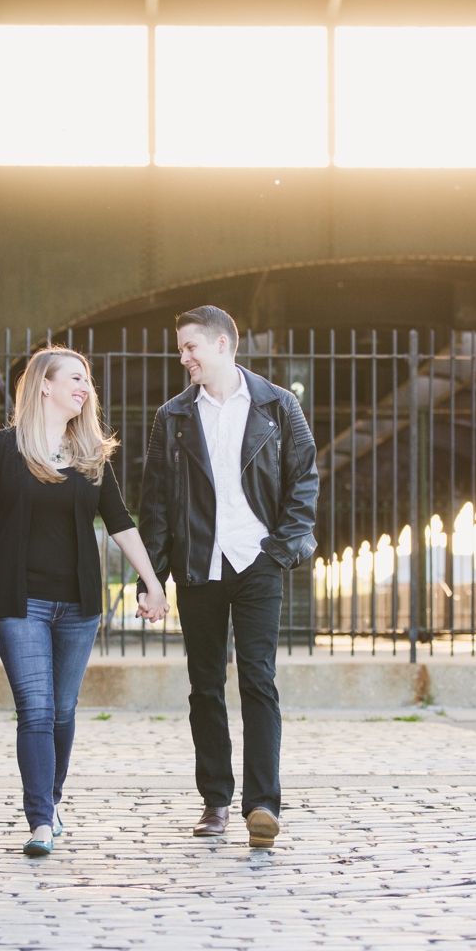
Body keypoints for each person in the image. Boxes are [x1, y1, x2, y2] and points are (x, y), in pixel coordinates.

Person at [0, 346, 169, 858]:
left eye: (88, 381)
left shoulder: (90, 456)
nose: (86, 388)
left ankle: (52, 800)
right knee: (36, 709)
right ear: (44, 384)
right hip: (20, 603)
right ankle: (40, 820)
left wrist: (152, 581)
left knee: (62, 710)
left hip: (79, 603)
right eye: (76, 378)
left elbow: (121, 523)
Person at [139, 306, 318, 850]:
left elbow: (303, 480)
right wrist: (152, 579)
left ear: (223, 345)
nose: (183, 357)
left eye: (190, 347)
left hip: (258, 563)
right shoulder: (171, 417)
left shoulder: (278, 406)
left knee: (258, 680)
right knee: (205, 686)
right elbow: (157, 504)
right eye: (180, 349)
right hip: (199, 566)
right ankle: (215, 800)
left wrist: (281, 549)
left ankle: (263, 804)